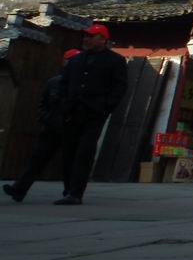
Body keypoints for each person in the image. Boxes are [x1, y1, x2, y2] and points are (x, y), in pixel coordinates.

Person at [52, 24, 127, 205]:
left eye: (91, 36)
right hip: (72, 111)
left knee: (84, 151)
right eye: (85, 36)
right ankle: (68, 189)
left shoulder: (115, 61)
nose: (86, 39)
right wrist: (64, 104)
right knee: (69, 151)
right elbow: (64, 83)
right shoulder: (76, 60)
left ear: (103, 39)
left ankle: (76, 193)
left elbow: (120, 87)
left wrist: (106, 106)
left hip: (95, 112)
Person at [3, 48, 80, 203]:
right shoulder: (53, 82)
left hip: (72, 128)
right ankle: (19, 189)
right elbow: (43, 104)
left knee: (69, 162)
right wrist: (46, 118)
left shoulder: (81, 85)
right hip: (52, 127)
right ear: (64, 62)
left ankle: (70, 192)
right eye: (69, 60)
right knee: (36, 160)